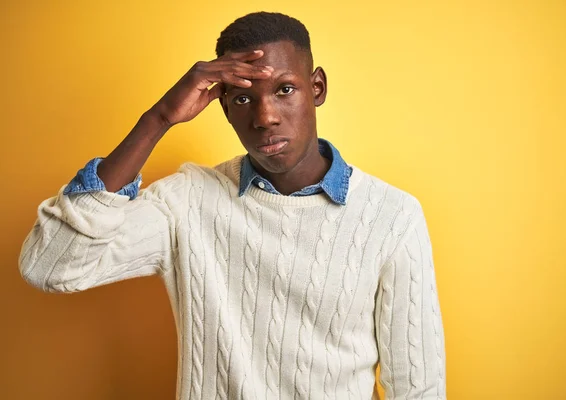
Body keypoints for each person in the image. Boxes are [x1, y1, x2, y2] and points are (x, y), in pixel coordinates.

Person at [18, 11, 446, 400]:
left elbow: (418, 387)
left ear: (317, 88)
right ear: (223, 107)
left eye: (284, 89)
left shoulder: (392, 217)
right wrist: (159, 118)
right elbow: (50, 265)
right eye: (243, 98)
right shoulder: (187, 201)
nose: (265, 117)